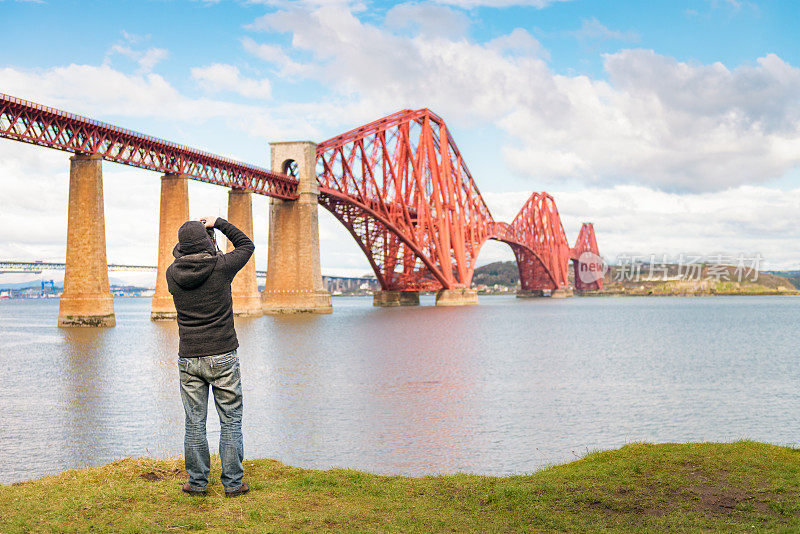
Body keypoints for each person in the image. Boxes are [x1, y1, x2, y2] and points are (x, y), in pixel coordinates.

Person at [166, 215, 254, 498]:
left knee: (194, 422)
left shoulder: (171, 273)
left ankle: (197, 483)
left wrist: (195, 240)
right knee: (230, 420)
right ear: (207, 242)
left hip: (189, 358)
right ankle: (232, 483)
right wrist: (217, 223)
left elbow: (180, 254)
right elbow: (246, 245)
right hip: (223, 355)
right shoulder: (222, 267)